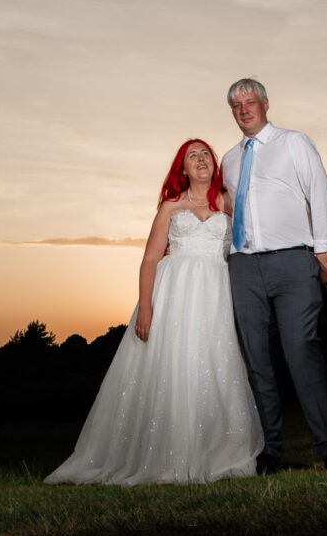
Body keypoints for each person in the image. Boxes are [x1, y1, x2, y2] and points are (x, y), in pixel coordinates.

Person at [45, 139, 263, 485]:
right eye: (192, 156)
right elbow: (149, 260)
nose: (200, 159)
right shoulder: (170, 207)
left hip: (215, 293)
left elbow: (251, 241)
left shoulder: (228, 202)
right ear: (183, 168)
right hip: (174, 294)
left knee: (214, 364)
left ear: (214, 162)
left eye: (205, 153)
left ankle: (220, 452)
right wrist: (145, 307)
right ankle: (166, 454)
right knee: (174, 365)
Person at [221, 78, 327, 474]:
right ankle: (269, 452)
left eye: (250, 102)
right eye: (236, 106)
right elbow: (225, 210)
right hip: (244, 265)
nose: (244, 109)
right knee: (257, 360)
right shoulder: (229, 159)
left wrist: (323, 253)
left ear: (265, 104)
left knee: (301, 349)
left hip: (293, 262)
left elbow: (319, 193)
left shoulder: (294, 143)